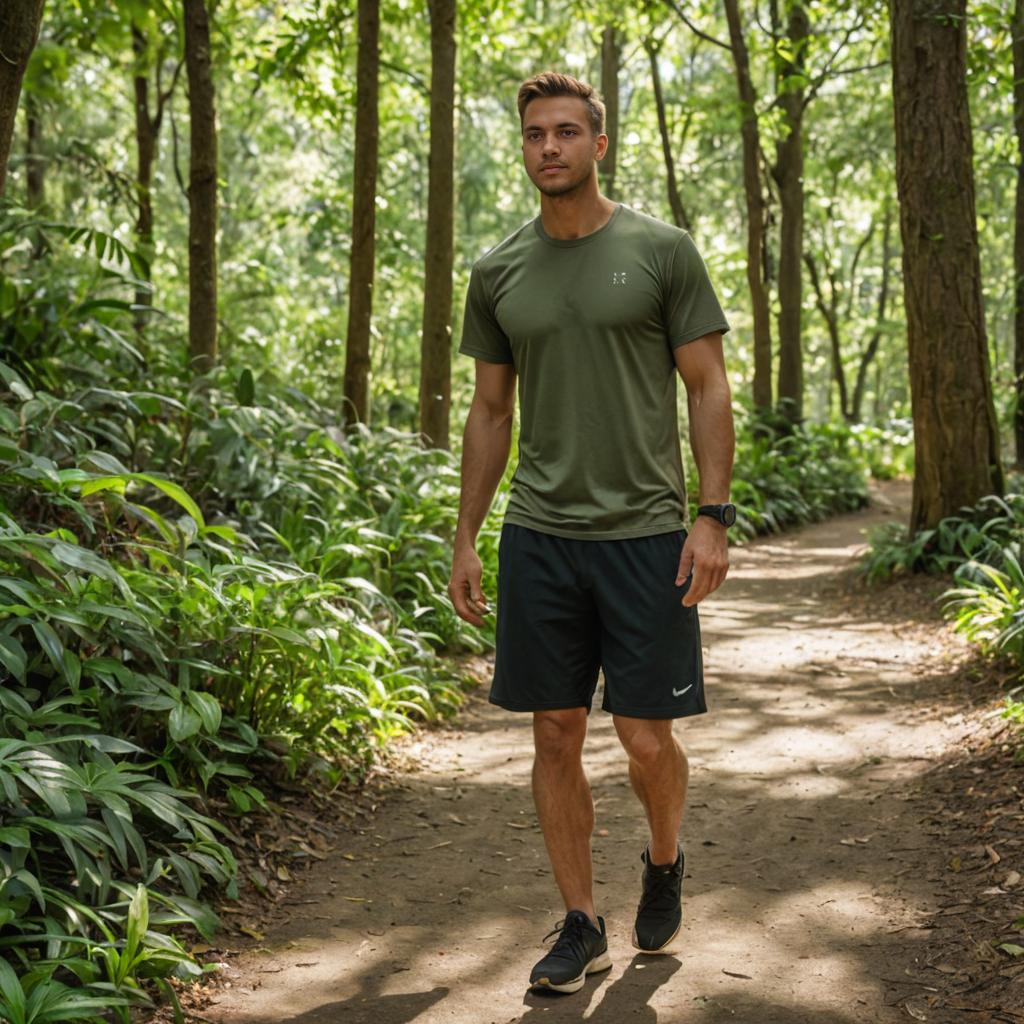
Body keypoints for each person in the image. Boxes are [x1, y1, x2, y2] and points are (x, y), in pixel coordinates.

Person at [447, 70, 736, 995]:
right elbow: (490, 411)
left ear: (598, 144)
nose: (550, 147)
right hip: (541, 536)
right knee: (555, 732)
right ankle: (581, 921)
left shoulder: (660, 251)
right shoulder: (497, 271)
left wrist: (712, 515)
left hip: (648, 534)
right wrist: (465, 536)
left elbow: (707, 386)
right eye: (535, 134)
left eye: (567, 132)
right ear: (523, 145)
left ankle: (662, 856)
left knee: (646, 741)